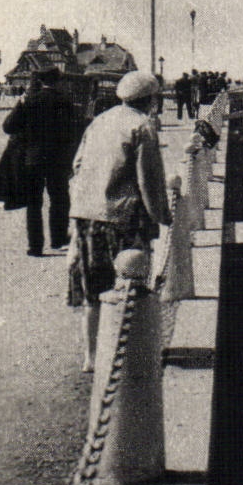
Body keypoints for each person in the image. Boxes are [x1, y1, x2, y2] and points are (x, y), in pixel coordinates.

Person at [67, 70, 172, 372]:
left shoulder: (100, 121)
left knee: (92, 289)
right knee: (129, 285)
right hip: (123, 217)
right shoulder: (142, 126)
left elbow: (77, 166)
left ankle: (91, 357)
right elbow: (149, 180)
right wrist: (162, 215)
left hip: (87, 215)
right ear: (151, 99)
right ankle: (131, 352)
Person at [1, 67, 85, 256]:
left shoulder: (29, 101)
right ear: (58, 81)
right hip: (58, 160)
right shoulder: (65, 102)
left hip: (33, 160)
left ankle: (35, 246)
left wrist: (20, 104)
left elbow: (8, 127)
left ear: (39, 81)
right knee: (60, 199)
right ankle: (58, 239)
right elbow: (75, 133)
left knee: (33, 203)